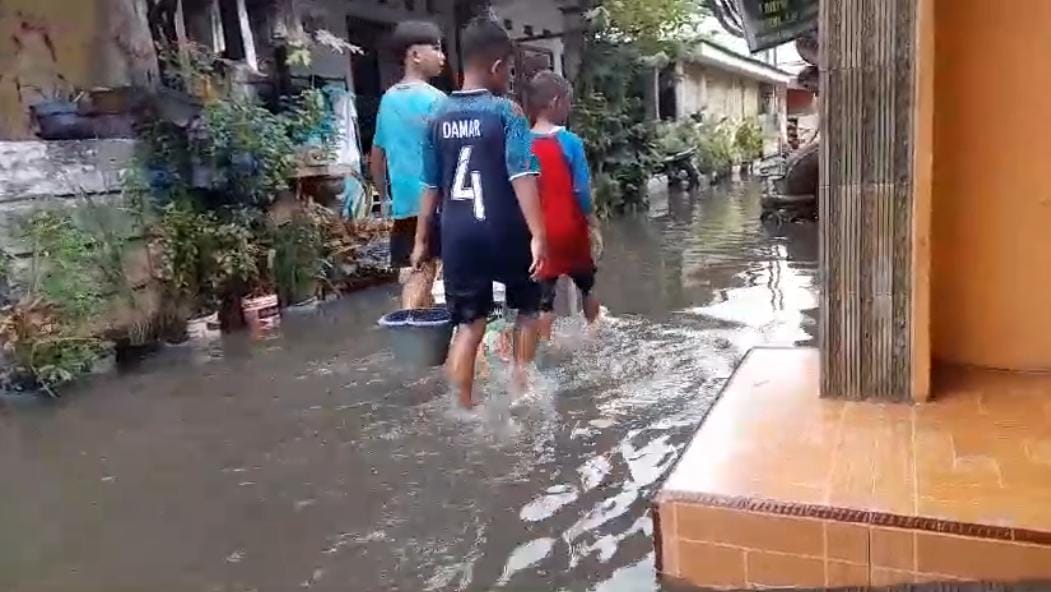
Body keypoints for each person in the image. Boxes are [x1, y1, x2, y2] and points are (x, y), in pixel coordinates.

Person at [412, 16, 548, 409]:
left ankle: (463, 410)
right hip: (504, 230)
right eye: (508, 68)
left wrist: (422, 240)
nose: (509, 77)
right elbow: (522, 174)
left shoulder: (435, 118)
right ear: (497, 67)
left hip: (458, 235)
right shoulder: (507, 113)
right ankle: (522, 386)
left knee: (469, 326)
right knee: (527, 308)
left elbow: (430, 186)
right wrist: (539, 234)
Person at [370, 20, 447, 309]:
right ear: (415, 55)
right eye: (437, 49)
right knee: (438, 272)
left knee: (419, 271)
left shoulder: (387, 100)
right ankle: (420, 334)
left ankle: (420, 337)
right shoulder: (437, 100)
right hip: (437, 205)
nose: (443, 56)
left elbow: (376, 157)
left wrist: (386, 198)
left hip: (404, 208)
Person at [525, 70, 602, 341]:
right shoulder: (570, 142)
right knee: (587, 287)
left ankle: (546, 345)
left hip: (540, 234)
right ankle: (593, 337)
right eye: (569, 103)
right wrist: (592, 221)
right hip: (571, 229)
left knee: (544, 299)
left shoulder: (522, 143)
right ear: (556, 102)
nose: (569, 109)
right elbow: (580, 189)